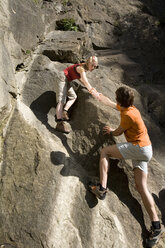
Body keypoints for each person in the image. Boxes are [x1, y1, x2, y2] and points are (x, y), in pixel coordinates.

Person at [89, 86, 165, 247]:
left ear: (120, 100)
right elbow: (111, 104)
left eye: (116, 98)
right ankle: (156, 226)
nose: (115, 100)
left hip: (138, 148)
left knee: (105, 152)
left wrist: (110, 130)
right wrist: (97, 95)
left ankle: (102, 188)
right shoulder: (132, 109)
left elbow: (117, 132)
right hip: (146, 149)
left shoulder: (128, 115)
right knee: (141, 187)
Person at [55, 56, 99, 133]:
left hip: (67, 80)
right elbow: (85, 81)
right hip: (63, 77)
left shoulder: (84, 67)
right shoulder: (81, 68)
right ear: (88, 63)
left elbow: (81, 79)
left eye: (95, 66)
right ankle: (59, 123)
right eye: (92, 65)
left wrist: (89, 88)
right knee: (61, 100)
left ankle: (64, 111)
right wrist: (92, 91)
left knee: (73, 97)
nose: (93, 68)